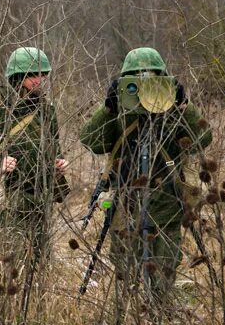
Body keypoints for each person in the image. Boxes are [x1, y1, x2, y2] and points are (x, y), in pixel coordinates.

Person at [80, 47, 211, 307]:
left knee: (163, 272)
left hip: (166, 203)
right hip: (126, 205)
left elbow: (202, 140)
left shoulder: (173, 110)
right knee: (125, 275)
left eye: (152, 79)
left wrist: (183, 106)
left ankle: (159, 319)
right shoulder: (119, 111)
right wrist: (108, 108)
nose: (144, 87)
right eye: (135, 80)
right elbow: (91, 141)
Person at [0, 47, 70, 305]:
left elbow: (53, 147)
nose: (39, 81)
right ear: (17, 77)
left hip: (39, 198)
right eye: (32, 75)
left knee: (40, 263)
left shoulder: (46, 110)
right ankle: (6, 311)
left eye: (43, 75)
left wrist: (58, 164)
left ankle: (35, 311)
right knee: (10, 264)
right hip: (7, 200)